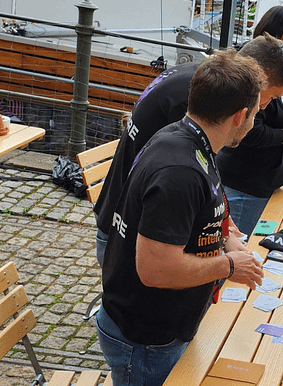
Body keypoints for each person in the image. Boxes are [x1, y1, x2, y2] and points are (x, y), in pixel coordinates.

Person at [96, 50, 266, 386]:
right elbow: (155, 268)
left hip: (163, 328)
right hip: (145, 339)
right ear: (239, 115)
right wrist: (229, 266)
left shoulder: (189, 136)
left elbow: (203, 210)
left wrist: (227, 239)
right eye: (256, 115)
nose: (254, 123)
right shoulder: (180, 171)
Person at [93, 34, 283, 264]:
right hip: (128, 232)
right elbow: (183, 181)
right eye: (270, 97)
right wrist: (225, 255)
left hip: (123, 212)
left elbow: (204, 172)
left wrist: (224, 228)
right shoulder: (201, 100)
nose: (263, 107)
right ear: (259, 79)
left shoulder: (201, 77)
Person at [217, 7, 283, 235]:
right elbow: (251, 131)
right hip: (244, 187)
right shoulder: (253, 78)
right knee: (239, 248)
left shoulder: (278, 76)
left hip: (266, 188)